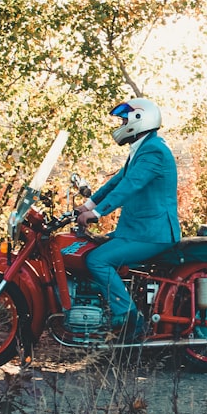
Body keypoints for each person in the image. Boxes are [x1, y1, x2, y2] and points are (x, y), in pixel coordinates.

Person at [75, 97, 181, 341]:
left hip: (153, 233)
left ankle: (131, 320)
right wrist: (88, 205)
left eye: (124, 119)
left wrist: (98, 213)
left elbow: (131, 185)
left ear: (138, 119)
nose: (121, 124)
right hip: (139, 230)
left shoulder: (154, 151)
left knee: (98, 260)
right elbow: (116, 183)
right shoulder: (142, 149)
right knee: (92, 248)